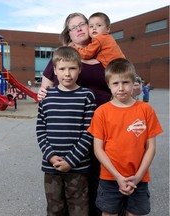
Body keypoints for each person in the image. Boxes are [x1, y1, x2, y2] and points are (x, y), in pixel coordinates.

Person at [38, 12, 112, 216]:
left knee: (99, 175)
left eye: (82, 24)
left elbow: (125, 75)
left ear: (90, 27)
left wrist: (135, 86)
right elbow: (46, 90)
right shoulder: (65, 54)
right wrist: (43, 93)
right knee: (66, 192)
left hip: (105, 123)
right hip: (75, 125)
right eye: (73, 27)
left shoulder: (106, 51)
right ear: (68, 33)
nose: (79, 28)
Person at [88, 58, 163, 216]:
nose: (121, 88)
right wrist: (118, 176)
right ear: (108, 84)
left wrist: (138, 176)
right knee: (108, 213)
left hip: (139, 179)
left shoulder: (146, 110)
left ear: (134, 82)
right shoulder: (101, 112)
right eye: (115, 83)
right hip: (109, 178)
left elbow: (151, 147)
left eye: (126, 82)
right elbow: (98, 149)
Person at [36, 46, 96, 216]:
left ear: (80, 69)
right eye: (62, 69)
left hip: (78, 167)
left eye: (72, 68)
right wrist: (50, 155)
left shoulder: (87, 96)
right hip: (51, 166)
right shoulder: (47, 97)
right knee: (55, 209)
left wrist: (71, 160)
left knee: (79, 209)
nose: (67, 73)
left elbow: (89, 132)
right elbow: (40, 130)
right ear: (54, 70)